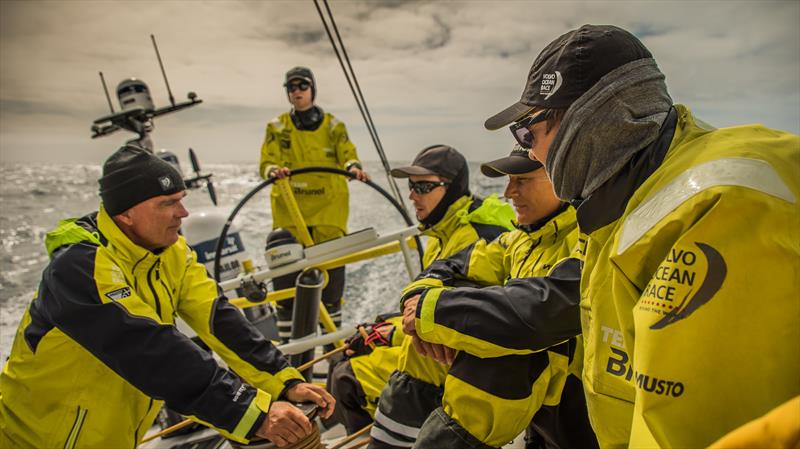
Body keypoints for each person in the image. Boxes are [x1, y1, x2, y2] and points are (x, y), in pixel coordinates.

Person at [478, 24, 799, 447]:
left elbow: (690, 431)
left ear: (585, 123)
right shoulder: (621, 205)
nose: (530, 153)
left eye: (527, 133)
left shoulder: (715, 207)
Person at [0, 145, 335, 449]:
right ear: (125, 214)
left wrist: (284, 381)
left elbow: (218, 318)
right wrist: (254, 413)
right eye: (168, 203)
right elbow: (149, 349)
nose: (184, 213)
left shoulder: (172, 252)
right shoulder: (78, 266)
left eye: (182, 199)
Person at [398, 146, 596, 449]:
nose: (508, 192)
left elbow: (535, 312)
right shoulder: (519, 239)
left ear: (563, 176)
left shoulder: (589, 240)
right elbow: (453, 265)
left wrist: (431, 313)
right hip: (539, 420)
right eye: (508, 180)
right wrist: (418, 299)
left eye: (522, 180)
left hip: (582, 423)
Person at [327, 144, 516, 445]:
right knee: (340, 361)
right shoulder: (444, 231)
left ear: (452, 188)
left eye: (424, 186)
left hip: (450, 369)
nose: (413, 195)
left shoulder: (475, 239)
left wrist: (383, 335)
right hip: (428, 354)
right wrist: (379, 327)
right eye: (411, 186)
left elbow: (447, 323)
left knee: (346, 379)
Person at [259, 66, 369, 342]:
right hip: (290, 215)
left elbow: (348, 153)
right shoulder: (277, 127)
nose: (296, 91)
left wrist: (353, 167)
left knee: (331, 288)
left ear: (312, 89)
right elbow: (267, 160)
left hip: (328, 214)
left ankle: (334, 348)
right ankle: (288, 347)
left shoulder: (334, 126)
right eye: (291, 87)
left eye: (302, 86)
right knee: (285, 285)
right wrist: (273, 170)